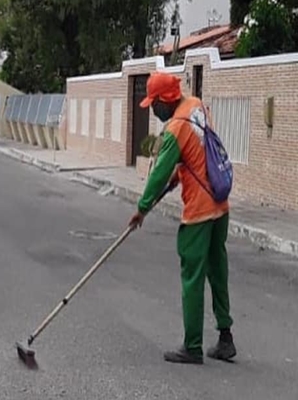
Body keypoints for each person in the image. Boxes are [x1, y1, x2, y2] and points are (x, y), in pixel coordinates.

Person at [128, 71, 236, 365]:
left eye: (153, 103)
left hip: (200, 212)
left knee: (192, 276)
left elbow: (159, 172)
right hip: (219, 202)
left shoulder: (175, 127)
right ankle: (226, 338)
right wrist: (180, 173)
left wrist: (142, 208)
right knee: (217, 270)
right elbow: (199, 151)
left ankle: (192, 346)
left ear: (165, 100)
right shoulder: (197, 106)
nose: (153, 109)